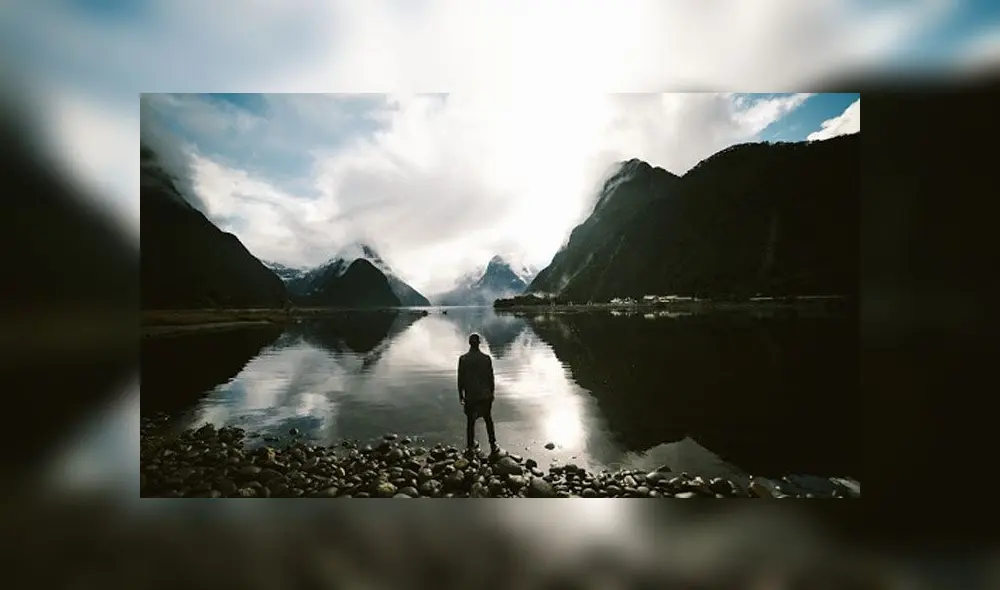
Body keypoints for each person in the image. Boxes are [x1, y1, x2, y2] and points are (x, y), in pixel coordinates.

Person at [458, 333, 498, 456]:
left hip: (471, 396)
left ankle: (470, 447)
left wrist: (460, 394)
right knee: (488, 419)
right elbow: (491, 378)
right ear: (479, 343)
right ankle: (493, 444)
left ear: (469, 343)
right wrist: (492, 392)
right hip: (485, 395)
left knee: (470, 422)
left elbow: (460, 379)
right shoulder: (486, 358)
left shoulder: (463, 359)